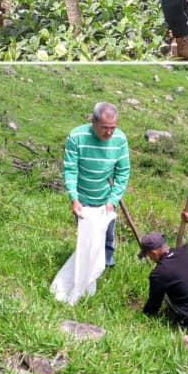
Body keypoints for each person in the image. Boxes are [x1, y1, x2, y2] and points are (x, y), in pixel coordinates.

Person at [63, 102, 130, 269]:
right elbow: (70, 170)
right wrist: (74, 198)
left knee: (107, 233)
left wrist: (112, 200)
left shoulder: (120, 139)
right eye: (104, 127)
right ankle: (86, 266)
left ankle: (106, 263)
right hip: (83, 196)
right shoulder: (76, 137)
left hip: (106, 196)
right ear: (93, 122)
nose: (109, 132)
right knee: (86, 235)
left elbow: (123, 173)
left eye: (112, 127)